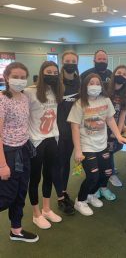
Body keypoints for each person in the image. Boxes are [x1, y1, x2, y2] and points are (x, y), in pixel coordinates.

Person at [67, 73, 126, 216]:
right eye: (91, 83)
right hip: (87, 146)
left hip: (102, 144)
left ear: (101, 86)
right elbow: (74, 127)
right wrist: (78, 150)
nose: (94, 86)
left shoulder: (105, 100)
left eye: (97, 83)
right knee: (93, 176)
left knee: (107, 172)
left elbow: (110, 119)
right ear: (85, 86)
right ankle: (80, 201)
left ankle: (91, 195)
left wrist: (119, 136)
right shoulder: (80, 103)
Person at [0, 62, 39, 242]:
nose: (19, 80)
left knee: (20, 192)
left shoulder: (24, 98)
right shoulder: (2, 99)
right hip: (8, 153)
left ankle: (16, 230)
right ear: (6, 77)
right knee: (7, 196)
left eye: (23, 77)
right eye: (15, 76)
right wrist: (2, 165)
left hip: (23, 150)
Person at [24, 61, 64, 229]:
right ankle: (36, 214)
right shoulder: (29, 92)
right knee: (35, 178)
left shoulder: (56, 91)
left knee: (49, 175)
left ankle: (46, 209)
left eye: (55, 72)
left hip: (52, 139)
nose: (52, 75)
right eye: (49, 72)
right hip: (36, 141)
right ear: (42, 73)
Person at [57, 51, 80, 215]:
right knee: (58, 164)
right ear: (62, 62)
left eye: (73, 61)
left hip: (74, 130)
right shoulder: (56, 82)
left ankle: (63, 191)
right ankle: (60, 197)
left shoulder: (80, 83)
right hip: (58, 131)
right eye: (67, 61)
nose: (70, 63)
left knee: (66, 163)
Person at [107, 65, 126, 187]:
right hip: (100, 127)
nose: (121, 75)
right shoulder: (105, 88)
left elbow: (123, 114)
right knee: (100, 153)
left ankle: (111, 172)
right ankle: (106, 173)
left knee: (111, 151)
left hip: (114, 127)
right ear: (114, 74)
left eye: (124, 74)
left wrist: (117, 132)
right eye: (119, 72)